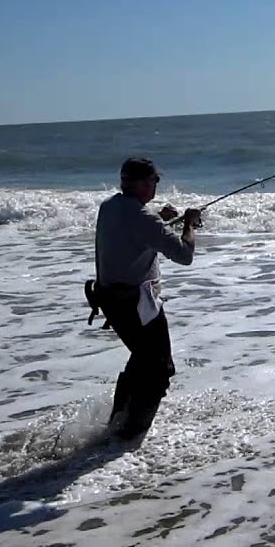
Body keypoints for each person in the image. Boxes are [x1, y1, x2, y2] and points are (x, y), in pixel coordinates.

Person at [92, 157, 202, 443]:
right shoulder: (144, 218)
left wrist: (161, 220)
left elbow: (134, 235)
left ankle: (117, 422)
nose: (156, 185)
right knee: (159, 369)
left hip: (109, 300)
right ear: (141, 183)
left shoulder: (110, 207)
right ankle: (131, 434)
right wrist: (188, 224)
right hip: (136, 304)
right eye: (155, 180)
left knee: (141, 361)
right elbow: (184, 255)